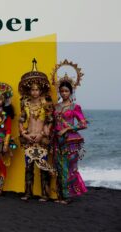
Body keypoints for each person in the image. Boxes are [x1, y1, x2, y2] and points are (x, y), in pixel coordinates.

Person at [18, 59, 55, 201]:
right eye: (32, 89)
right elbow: (21, 120)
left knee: (43, 167)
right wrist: (23, 133)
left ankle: (45, 194)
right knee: (28, 167)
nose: (35, 92)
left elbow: (50, 121)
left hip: (41, 139)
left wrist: (42, 134)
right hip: (28, 139)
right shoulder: (25, 104)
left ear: (41, 90)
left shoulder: (46, 104)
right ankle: (28, 193)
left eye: (37, 89)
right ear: (29, 90)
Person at [51, 60, 88, 204]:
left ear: (71, 91)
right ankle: (61, 195)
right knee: (59, 167)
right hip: (57, 140)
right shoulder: (56, 107)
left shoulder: (75, 107)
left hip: (70, 142)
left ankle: (68, 196)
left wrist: (67, 128)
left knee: (69, 168)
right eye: (61, 91)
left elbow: (83, 124)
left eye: (66, 91)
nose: (64, 93)